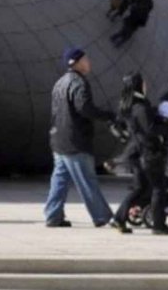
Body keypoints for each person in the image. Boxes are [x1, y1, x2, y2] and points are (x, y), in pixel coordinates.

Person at [44, 47, 114, 228]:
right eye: (85, 59)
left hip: (59, 139)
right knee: (87, 180)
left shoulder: (60, 83)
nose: (88, 62)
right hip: (75, 140)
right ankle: (102, 217)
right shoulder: (78, 83)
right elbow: (84, 108)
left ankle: (53, 215)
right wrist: (107, 115)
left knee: (59, 179)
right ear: (76, 63)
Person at [111, 71, 168, 235]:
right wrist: (167, 125)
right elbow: (150, 130)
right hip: (150, 152)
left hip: (139, 153)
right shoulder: (140, 107)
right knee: (158, 188)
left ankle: (119, 218)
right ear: (138, 85)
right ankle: (159, 225)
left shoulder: (129, 105)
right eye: (144, 83)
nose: (146, 85)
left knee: (140, 189)